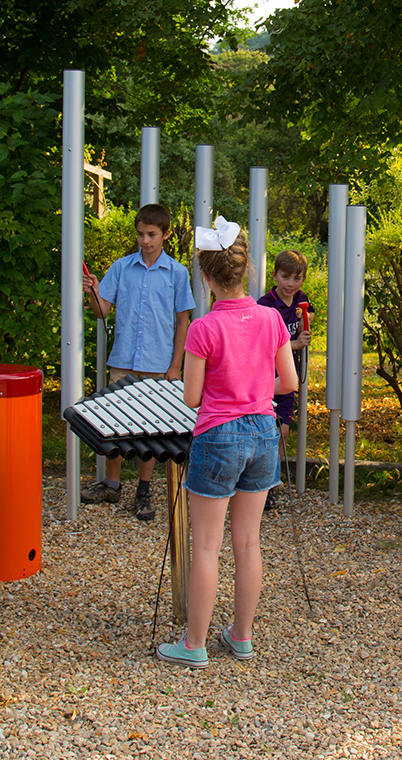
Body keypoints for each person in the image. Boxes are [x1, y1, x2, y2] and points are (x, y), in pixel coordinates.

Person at [156, 218, 297, 668]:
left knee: (206, 546)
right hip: (262, 431)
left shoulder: (202, 329)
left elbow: (193, 397)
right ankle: (242, 636)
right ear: (247, 270)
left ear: (206, 276)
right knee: (249, 543)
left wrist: (229, 386)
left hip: (218, 436)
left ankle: (194, 644)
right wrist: (253, 386)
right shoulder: (272, 318)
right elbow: (288, 381)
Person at [81, 204, 196, 519]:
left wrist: (175, 366)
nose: (145, 240)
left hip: (158, 363)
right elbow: (102, 311)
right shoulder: (121, 267)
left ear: (166, 234)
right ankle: (113, 484)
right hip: (123, 359)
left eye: (151, 235)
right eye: (141, 234)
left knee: (151, 428)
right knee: (115, 424)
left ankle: (144, 490)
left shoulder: (177, 273)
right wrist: (91, 291)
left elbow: (183, 321)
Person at [256, 249, 315, 509]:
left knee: (282, 432)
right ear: (275, 276)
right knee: (263, 431)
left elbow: (309, 314)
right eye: (286, 277)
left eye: (297, 278)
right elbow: (261, 343)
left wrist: (307, 321)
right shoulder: (265, 305)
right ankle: (258, 484)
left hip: (289, 377)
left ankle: (270, 481)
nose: (291, 284)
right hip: (265, 376)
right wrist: (294, 344)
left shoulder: (301, 299)